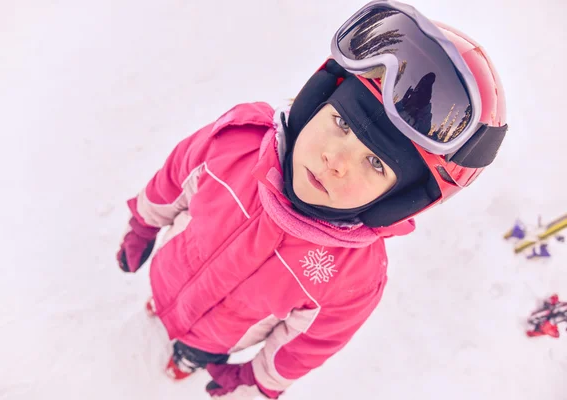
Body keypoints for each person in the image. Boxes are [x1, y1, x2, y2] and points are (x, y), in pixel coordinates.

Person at [116, 1, 508, 398]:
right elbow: (172, 180)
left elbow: (309, 344)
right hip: (167, 273)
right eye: (340, 123)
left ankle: (184, 360)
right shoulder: (232, 147)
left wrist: (259, 377)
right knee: (161, 301)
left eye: (375, 162)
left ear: (399, 200)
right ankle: (158, 307)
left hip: (218, 339)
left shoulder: (352, 277)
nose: (334, 160)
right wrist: (144, 222)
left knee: (192, 350)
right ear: (314, 102)